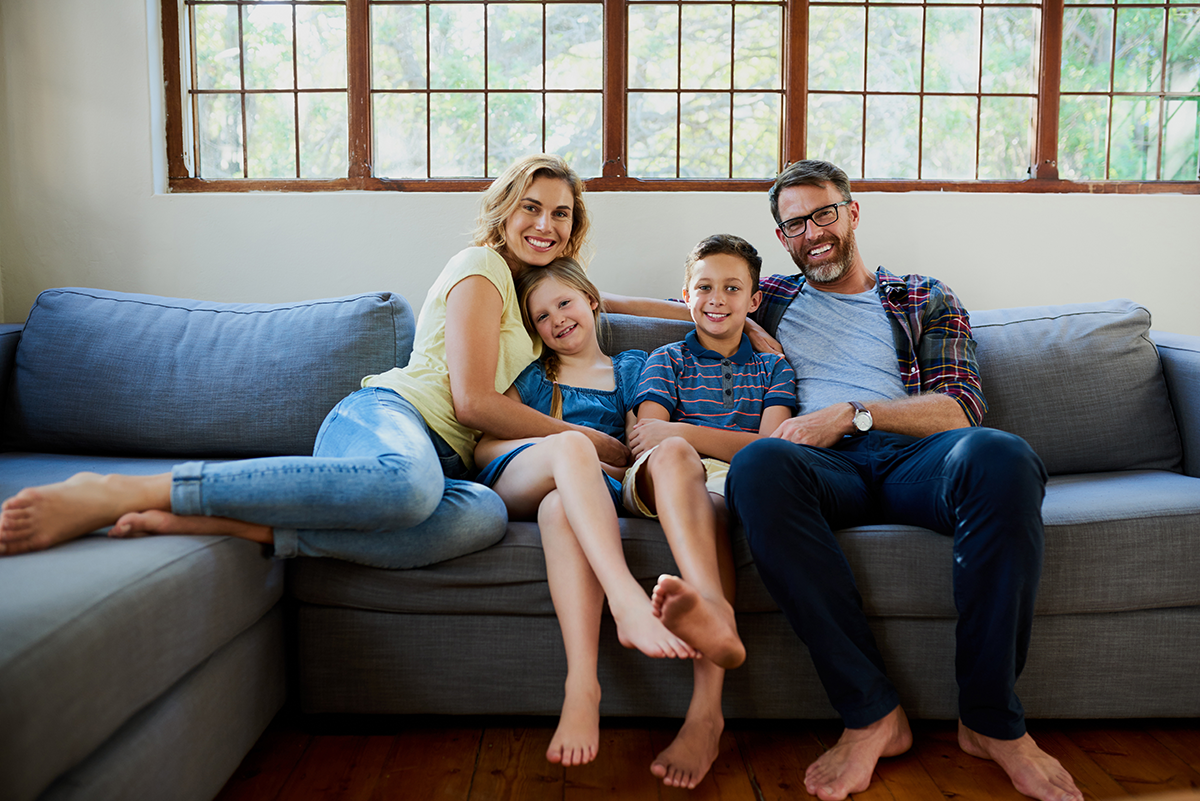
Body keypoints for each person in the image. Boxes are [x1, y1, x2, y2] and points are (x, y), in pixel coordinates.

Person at [0, 154, 630, 568]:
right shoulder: (481, 265)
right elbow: (472, 403)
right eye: (531, 206)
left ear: (573, 232)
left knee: (481, 520)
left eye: (561, 214)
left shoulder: (535, 302)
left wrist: (708, 308)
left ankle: (246, 530)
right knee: (406, 486)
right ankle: (123, 489)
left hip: (452, 463)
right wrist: (587, 440)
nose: (544, 223)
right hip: (393, 418)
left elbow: (609, 299)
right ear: (504, 209)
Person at [719, 160, 1083, 801]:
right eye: (795, 223)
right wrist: (595, 299)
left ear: (852, 212)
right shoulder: (764, 296)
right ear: (782, 238)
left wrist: (854, 414)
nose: (814, 232)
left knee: (1001, 455)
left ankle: (990, 722)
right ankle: (871, 715)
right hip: (820, 470)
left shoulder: (922, 295)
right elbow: (690, 299)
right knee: (757, 463)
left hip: (915, 457)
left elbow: (959, 408)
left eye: (824, 212)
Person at [473, 257, 697, 772]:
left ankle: (582, 686)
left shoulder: (632, 369)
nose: (556, 320)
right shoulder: (533, 377)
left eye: (565, 303)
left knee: (560, 509)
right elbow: (485, 448)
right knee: (571, 449)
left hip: (585, 492)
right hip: (519, 477)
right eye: (541, 317)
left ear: (592, 300)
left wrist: (748, 319)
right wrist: (572, 449)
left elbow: (639, 446)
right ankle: (627, 602)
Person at [623, 233, 798, 788]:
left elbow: (768, 450)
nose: (716, 298)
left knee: (724, 498)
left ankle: (706, 715)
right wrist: (681, 436)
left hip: (723, 488)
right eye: (704, 287)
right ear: (685, 294)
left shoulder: (774, 369)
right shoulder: (665, 358)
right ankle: (716, 616)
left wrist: (679, 427)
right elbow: (650, 439)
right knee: (676, 454)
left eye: (732, 288)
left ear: (753, 301)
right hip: (664, 478)